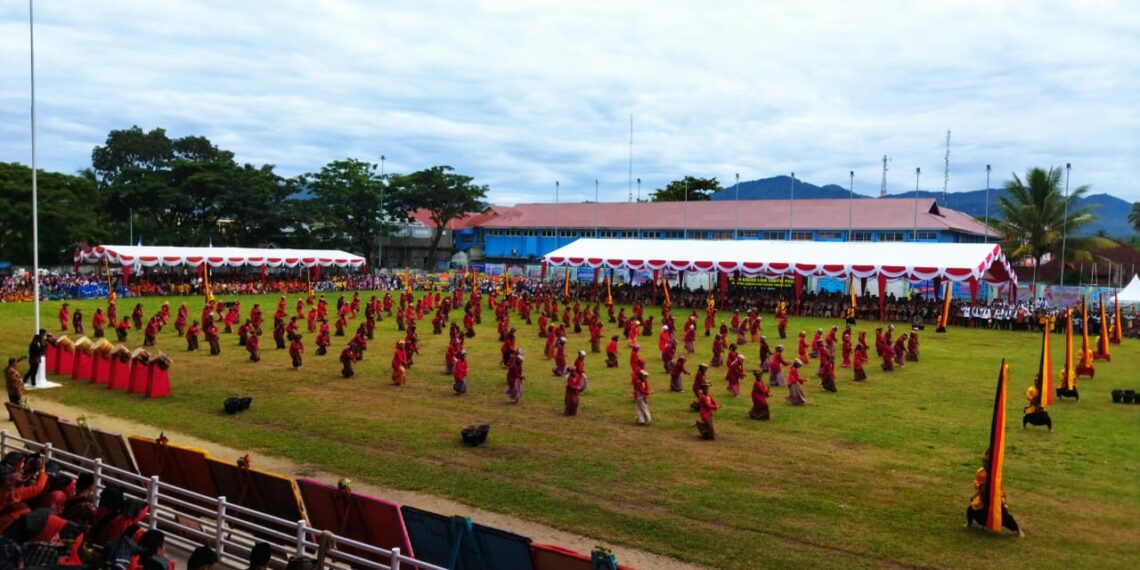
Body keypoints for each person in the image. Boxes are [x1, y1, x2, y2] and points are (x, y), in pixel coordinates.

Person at [965, 449, 1024, 537]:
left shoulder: (996, 475)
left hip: (995, 498)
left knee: (1004, 516)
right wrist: (979, 486)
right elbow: (976, 482)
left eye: (987, 462)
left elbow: (1000, 489)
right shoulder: (980, 472)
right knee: (971, 509)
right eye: (983, 461)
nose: (984, 464)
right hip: (982, 497)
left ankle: (1018, 530)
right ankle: (969, 523)